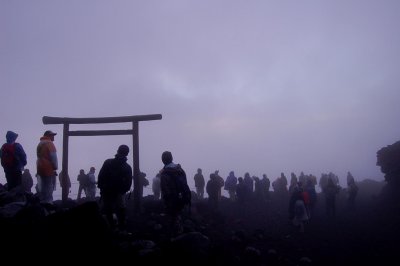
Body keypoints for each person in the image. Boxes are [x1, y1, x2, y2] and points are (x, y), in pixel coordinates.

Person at [97, 145, 133, 231]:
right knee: (120, 208)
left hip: (106, 190)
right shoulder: (127, 167)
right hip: (119, 192)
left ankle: (110, 226)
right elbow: (128, 182)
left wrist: (101, 187)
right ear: (127, 153)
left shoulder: (108, 162)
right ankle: (121, 227)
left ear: (117, 151)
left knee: (107, 208)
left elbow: (101, 176)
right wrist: (124, 190)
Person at [159, 151, 190, 235]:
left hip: (171, 199)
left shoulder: (164, 173)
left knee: (171, 216)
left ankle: (174, 236)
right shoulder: (180, 170)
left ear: (162, 160)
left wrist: (166, 201)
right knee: (178, 214)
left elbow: (165, 189)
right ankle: (180, 233)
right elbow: (185, 183)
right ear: (172, 158)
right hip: (182, 196)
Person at [36, 130, 58, 203]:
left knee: (43, 185)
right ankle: (48, 203)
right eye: (52, 135)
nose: (53, 137)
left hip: (39, 166)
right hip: (48, 167)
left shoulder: (40, 143)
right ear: (48, 136)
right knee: (49, 186)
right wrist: (55, 167)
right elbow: (53, 156)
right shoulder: (50, 143)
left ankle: (42, 201)